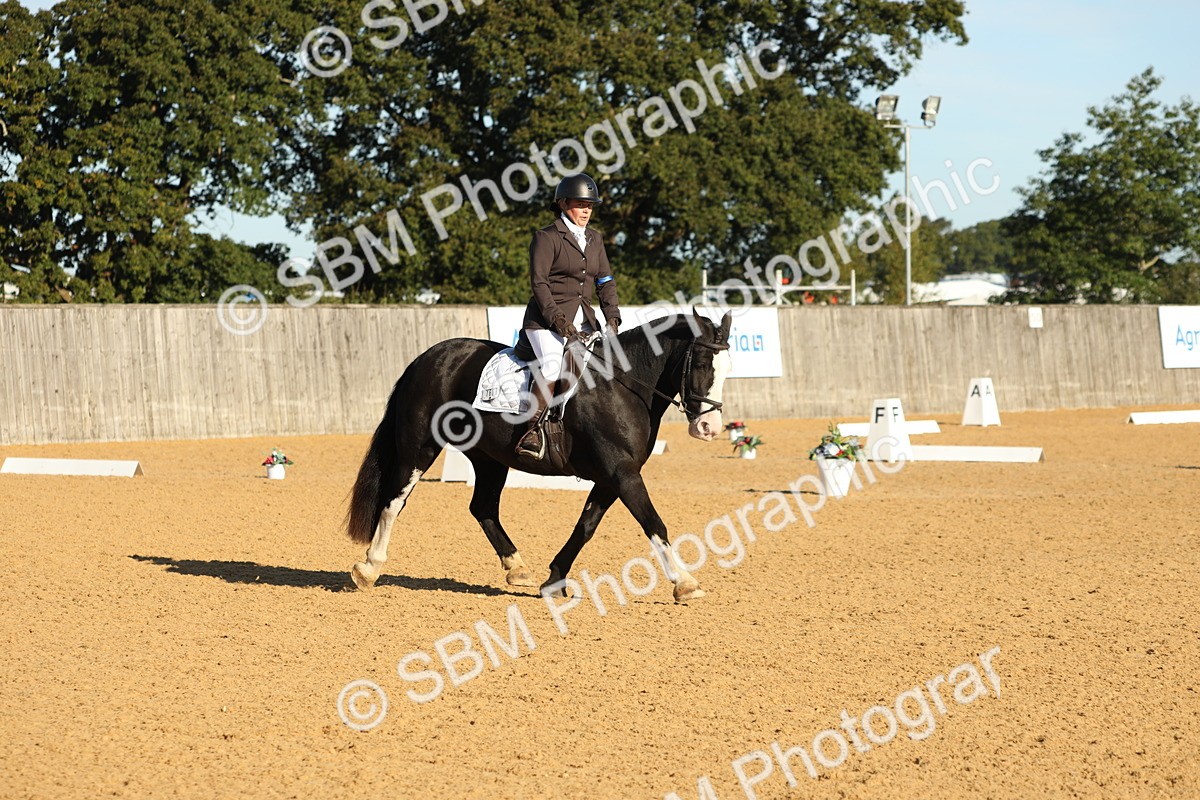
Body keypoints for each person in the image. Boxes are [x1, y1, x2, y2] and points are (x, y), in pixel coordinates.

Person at [515, 173, 621, 459]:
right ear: (563, 204)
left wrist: (612, 317)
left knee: (600, 370)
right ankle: (532, 432)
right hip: (545, 322)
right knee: (551, 368)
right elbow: (539, 284)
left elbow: (605, 281)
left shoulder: (595, 239)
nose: (586, 210)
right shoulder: (547, 237)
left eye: (590, 205)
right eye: (580, 204)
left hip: (584, 319)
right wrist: (561, 323)